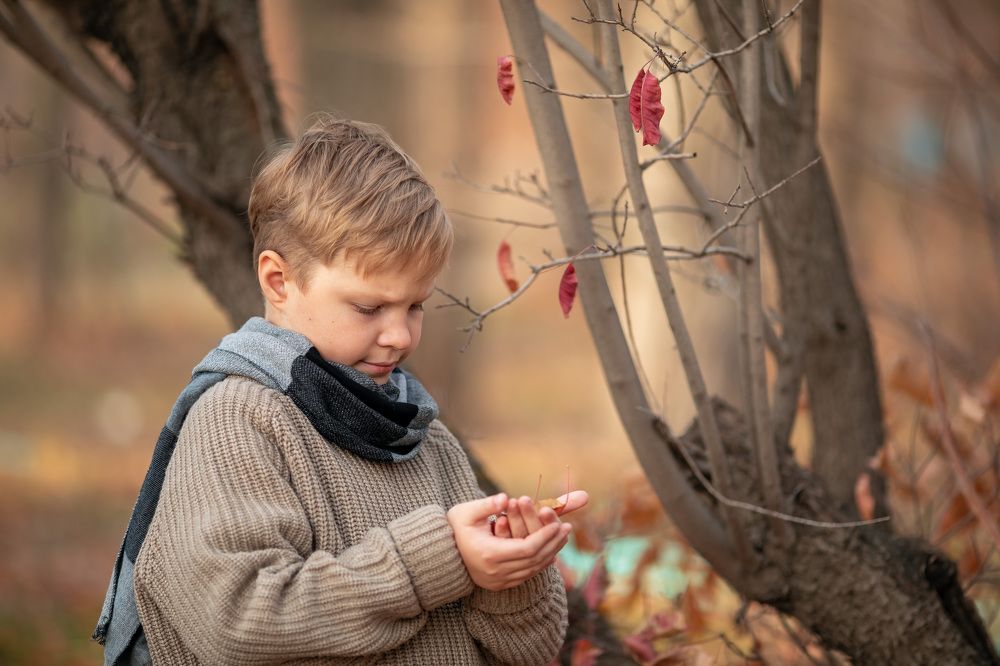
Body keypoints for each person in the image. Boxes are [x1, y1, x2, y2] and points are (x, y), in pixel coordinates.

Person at [92, 115, 588, 665]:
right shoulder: (237, 422)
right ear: (279, 281)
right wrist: (438, 560)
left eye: (415, 305)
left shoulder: (426, 439)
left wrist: (506, 577)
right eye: (369, 308)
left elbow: (533, 651)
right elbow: (237, 630)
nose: (399, 335)